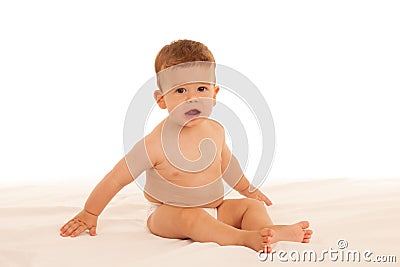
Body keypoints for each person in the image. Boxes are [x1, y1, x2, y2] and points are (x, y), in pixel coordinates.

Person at [60, 39, 312, 253]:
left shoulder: (216, 130)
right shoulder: (154, 144)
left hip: (216, 207)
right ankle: (243, 239)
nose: (192, 97)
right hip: (167, 214)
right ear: (161, 100)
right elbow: (115, 179)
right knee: (190, 216)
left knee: (250, 207)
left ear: (214, 93)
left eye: (201, 88)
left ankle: (264, 232)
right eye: (180, 90)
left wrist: (247, 189)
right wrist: (90, 213)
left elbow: (227, 164)